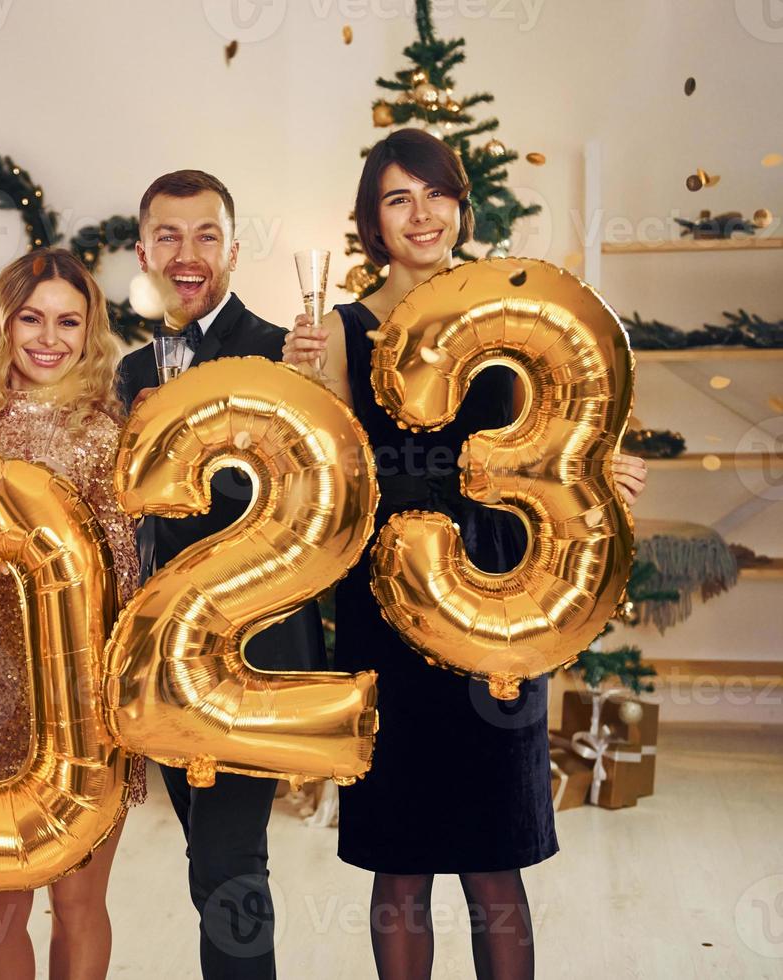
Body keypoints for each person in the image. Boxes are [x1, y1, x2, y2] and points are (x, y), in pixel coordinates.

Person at [283, 127, 649, 980]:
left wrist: (601, 469)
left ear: (460, 204)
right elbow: (327, 482)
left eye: (436, 193)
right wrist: (300, 384)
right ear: (373, 221)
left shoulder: (511, 314)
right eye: (398, 198)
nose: (422, 214)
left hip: (502, 604)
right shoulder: (341, 331)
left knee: (496, 864)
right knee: (399, 865)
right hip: (390, 613)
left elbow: (556, 440)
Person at [115, 170, 327, 979]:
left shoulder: (282, 353)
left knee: (230, 859)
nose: (187, 252)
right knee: (210, 859)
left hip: (251, 653)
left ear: (234, 251)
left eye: (206, 234)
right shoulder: (130, 373)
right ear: (143, 252)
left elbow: (305, 495)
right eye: (168, 236)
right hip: (161, 659)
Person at [0, 248, 146, 980]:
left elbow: (128, 575)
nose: (50, 338)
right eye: (32, 318)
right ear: (3, 322)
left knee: (79, 901)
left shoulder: (107, 431)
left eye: (68, 321)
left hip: (86, 698)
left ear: (91, 332)